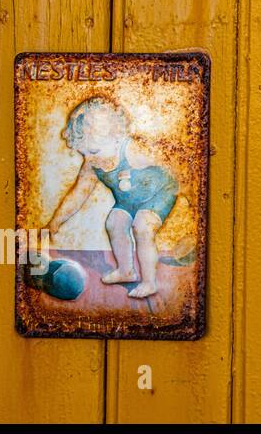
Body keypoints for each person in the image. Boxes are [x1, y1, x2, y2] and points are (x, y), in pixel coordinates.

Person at [43, 97, 177, 300]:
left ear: (117, 137)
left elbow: (173, 163)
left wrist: (190, 193)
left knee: (142, 227)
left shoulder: (134, 152)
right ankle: (126, 271)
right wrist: (55, 221)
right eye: (83, 153)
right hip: (129, 201)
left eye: (94, 151)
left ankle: (149, 282)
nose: (89, 158)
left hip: (159, 193)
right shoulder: (93, 165)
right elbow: (77, 196)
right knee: (114, 223)